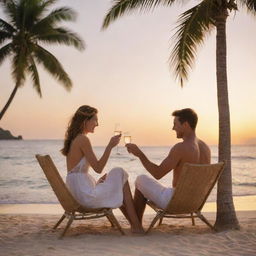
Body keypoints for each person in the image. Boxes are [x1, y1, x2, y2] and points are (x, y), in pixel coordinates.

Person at [61, 105, 144, 233]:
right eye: (95, 120)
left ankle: (135, 224)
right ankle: (137, 226)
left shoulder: (75, 139)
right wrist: (110, 146)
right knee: (119, 173)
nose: (97, 124)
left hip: (79, 193)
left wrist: (96, 183)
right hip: (85, 197)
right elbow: (98, 168)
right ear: (85, 121)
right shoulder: (83, 139)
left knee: (117, 178)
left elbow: (79, 175)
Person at [126, 108, 211, 224]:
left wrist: (140, 154)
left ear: (185, 124)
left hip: (176, 201)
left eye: (175, 124)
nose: (173, 128)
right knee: (150, 184)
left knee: (140, 179)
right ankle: (135, 223)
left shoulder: (181, 147)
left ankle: (136, 224)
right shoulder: (206, 148)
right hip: (196, 202)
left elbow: (158, 173)